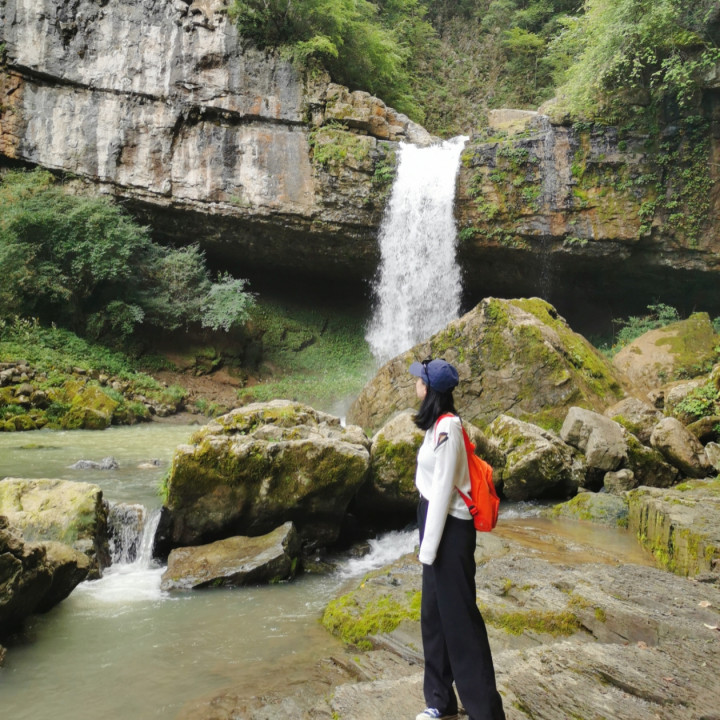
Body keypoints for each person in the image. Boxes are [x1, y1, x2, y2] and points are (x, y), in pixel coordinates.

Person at [409, 357, 505, 720]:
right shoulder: (435, 425)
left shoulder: (448, 427)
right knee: (433, 616)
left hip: (450, 528)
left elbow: (443, 490)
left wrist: (427, 550)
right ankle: (440, 701)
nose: (415, 384)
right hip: (434, 523)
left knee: (460, 621)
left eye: (420, 380)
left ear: (430, 390)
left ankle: (486, 712)